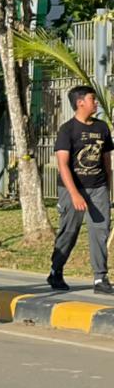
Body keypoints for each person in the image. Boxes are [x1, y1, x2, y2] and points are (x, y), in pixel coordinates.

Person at [49, 84, 114, 293]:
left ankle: (100, 279)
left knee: (100, 231)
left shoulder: (102, 128)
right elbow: (63, 165)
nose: (96, 102)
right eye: (92, 99)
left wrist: (109, 188)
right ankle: (56, 271)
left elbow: (106, 161)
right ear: (80, 102)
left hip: (98, 188)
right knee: (69, 231)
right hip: (72, 188)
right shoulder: (67, 130)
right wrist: (75, 194)